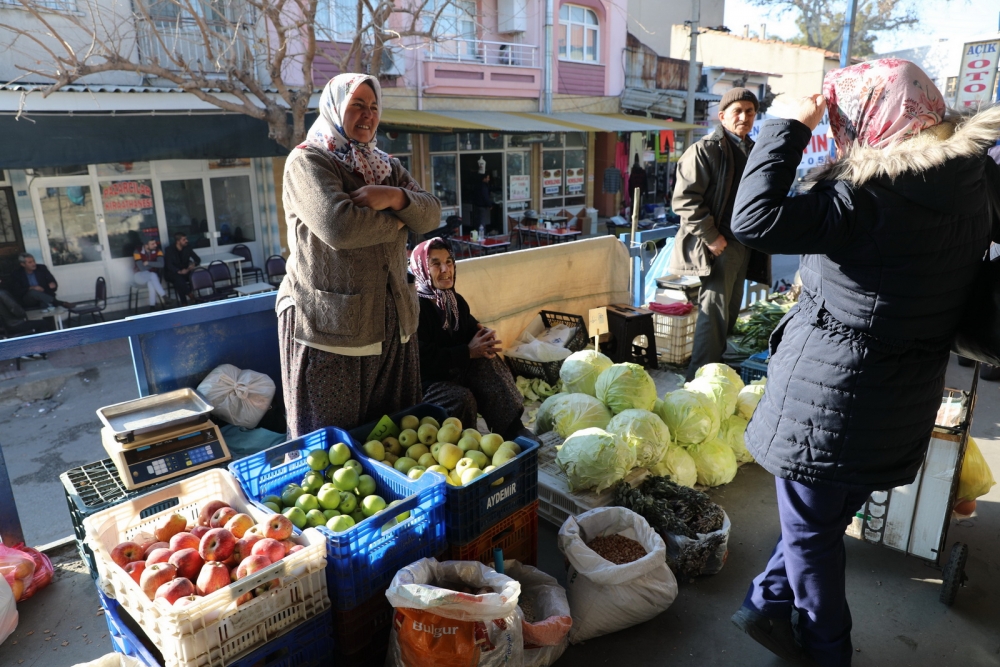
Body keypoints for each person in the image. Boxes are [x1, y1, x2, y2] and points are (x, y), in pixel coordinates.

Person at [728, 59, 999, 666]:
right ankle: (766, 602)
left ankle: (828, 650)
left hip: (833, 396)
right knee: (821, 516)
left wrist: (786, 128)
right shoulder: (974, 178)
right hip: (903, 396)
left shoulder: (865, 199)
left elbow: (753, 219)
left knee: (808, 529)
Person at [278, 73, 441, 438]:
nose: (367, 115)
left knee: (393, 439)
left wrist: (395, 198)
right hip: (332, 329)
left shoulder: (386, 166)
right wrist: (401, 223)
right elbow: (340, 227)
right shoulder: (308, 162)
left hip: (393, 324)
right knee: (329, 449)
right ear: (336, 107)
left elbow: (430, 214)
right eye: (357, 105)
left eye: (373, 107)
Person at [669, 87, 771, 380]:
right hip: (718, 244)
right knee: (713, 314)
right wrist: (711, 236)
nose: (744, 117)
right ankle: (697, 380)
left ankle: (713, 374)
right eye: (737, 111)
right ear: (722, 115)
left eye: (750, 112)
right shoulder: (705, 149)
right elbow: (685, 200)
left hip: (742, 243)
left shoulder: (751, 149)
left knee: (730, 311)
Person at [411, 238, 527, 439]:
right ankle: (465, 445)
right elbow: (421, 358)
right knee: (462, 399)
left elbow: (470, 329)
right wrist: (467, 351)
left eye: (449, 261)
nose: (446, 269)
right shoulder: (414, 308)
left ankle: (513, 430)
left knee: (489, 365)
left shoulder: (454, 301)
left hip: (453, 370)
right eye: (436, 264)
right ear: (421, 269)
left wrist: (484, 337)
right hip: (425, 384)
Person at [164, 232, 200, 305]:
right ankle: (190, 295)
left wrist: (193, 264)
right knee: (178, 279)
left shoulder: (188, 248)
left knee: (180, 281)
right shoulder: (169, 250)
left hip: (185, 271)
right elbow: (169, 265)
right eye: (184, 239)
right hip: (172, 272)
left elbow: (197, 259)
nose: (187, 241)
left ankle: (184, 303)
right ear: (178, 241)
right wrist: (179, 271)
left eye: (186, 239)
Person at [133, 238, 168, 309]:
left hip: (151, 276)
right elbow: (141, 268)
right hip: (139, 276)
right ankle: (164, 297)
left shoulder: (158, 251)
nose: (155, 245)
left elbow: (161, 264)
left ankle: (152, 305)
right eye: (152, 244)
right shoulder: (137, 252)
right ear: (146, 245)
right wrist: (155, 265)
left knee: (151, 280)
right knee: (152, 275)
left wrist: (148, 263)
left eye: (155, 243)